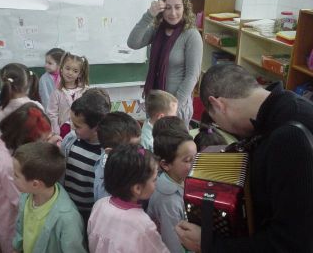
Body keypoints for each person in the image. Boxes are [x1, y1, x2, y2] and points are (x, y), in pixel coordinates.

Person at [176, 64, 313, 253]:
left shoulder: (289, 139)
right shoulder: (285, 107)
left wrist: (210, 244)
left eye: (216, 121)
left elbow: (291, 244)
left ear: (218, 104)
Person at [127, 0, 203, 128]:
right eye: (168, 7)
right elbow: (133, 43)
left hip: (176, 107)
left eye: (177, 7)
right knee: (154, 145)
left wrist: (173, 107)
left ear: (184, 7)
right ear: (161, 9)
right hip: (154, 103)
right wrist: (149, 15)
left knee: (174, 147)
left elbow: (192, 76)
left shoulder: (191, 35)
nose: (173, 13)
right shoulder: (157, 30)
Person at [0, 103, 59, 253]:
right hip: (15, 229)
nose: (46, 143)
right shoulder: (9, 165)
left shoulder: (10, 142)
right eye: (42, 141)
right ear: (25, 142)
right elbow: (24, 202)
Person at [88, 144, 169, 253]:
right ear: (137, 188)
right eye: (154, 179)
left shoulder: (99, 205)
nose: (157, 182)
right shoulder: (143, 225)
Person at [12, 141, 87, 253]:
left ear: (35, 184)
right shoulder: (26, 195)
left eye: (16, 175)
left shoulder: (68, 220)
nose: (12, 177)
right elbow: (20, 228)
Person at [61, 88, 111, 223]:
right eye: (71, 121)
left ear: (96, 127)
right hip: (68, 207)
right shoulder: (70, 140)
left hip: (91, 213)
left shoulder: (105, 154)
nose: (72, 127)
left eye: (77, 126)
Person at [148, 116, 197, 253]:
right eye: (188, 160)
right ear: (165, 164)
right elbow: (173, 246)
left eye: (196, 157)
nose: (195, 164)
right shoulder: (168, 201)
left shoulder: (179, 178)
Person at [0, 63, 43, 145]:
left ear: (3, 84)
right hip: (30, 155)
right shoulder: (37, 107)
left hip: (1, 156)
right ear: (28, 83)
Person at [94, 111, 142, 201]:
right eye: (132, 148)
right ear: (111, 152)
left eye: (139, 145)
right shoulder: (106, 189)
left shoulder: (122, 161)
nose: (139, 152)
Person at [46, 52, 89, 138]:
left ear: (79, 74)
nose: (70, 73)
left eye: (75, 71)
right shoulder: (56, 93)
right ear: (61, 69)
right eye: (67, 68)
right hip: (63, 131)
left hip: (81, 130)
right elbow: (52, 114)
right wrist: (56, 132)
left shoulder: (85, 91)